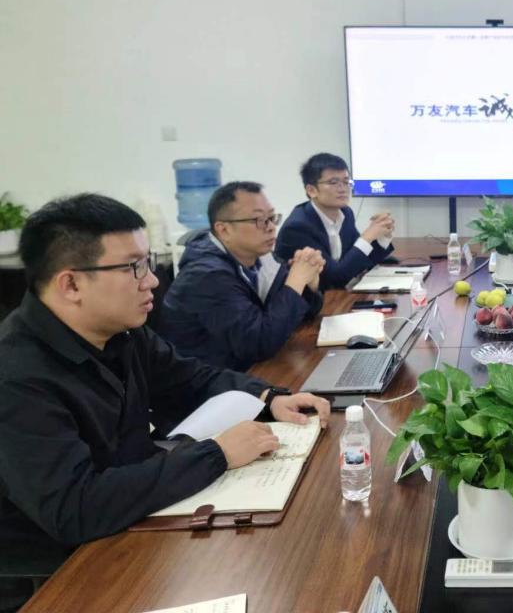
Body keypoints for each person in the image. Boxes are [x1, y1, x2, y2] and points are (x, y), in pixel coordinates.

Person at [0, 194, 331, 608]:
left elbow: (190, 378)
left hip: (139, 512)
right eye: (133, 267)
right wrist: (217, 454)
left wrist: (269, 397)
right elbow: (74, 508)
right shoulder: (17, 376)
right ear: (71, 284)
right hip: (68, 566)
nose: (152, 281)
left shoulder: (122, 331)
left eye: (148, 262)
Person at [159, 181, 324, 372]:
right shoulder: (206, 276)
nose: (271, 227)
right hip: (205, 381)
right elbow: (258, 344)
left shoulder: (260, 257)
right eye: (259, 220)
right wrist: (296, 280)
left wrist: (309, 284)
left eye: (272, 218)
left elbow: (303, 314)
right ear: (224, 230)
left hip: (244, 371)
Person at [276, 153, 394, 291]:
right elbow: (335, 278)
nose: (343, 189)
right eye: (333, 182)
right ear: (312, 190)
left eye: (346, 182)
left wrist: (382, 236)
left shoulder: (345, 213)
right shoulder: (298, 227)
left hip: (337, 294)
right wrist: (367, 236)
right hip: (310, 300)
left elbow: (357, 261)